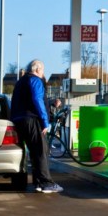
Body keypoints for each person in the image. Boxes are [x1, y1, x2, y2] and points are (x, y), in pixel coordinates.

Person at [10, 59, 63, 193]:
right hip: (32, 120)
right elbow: (37, 99)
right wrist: (45, 121)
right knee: (41, 150)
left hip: (19, 120)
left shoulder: (21, 82)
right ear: (38, 69)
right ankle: (46, 183)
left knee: (34, 151)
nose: (43, 73)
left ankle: (38, 182)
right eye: (43, 70)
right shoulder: (35, 80)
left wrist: (50, 102)